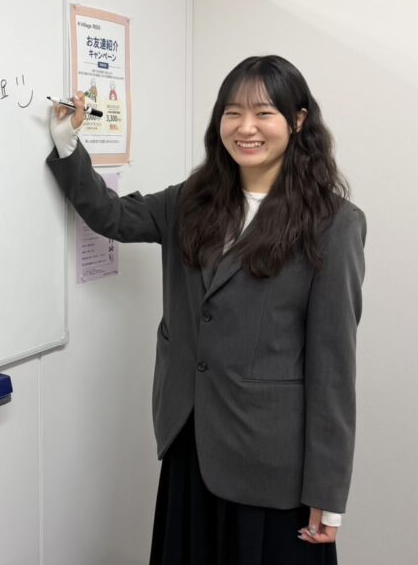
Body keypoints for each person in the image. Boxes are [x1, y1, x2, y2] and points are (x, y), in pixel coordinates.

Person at [46, 56, 366, 565]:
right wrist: (67, 140)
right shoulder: (191, 201)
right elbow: (112, 216)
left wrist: (328, 491)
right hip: (190, 440)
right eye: (232, 112)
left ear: (298, 120)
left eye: (263, 113)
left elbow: (333, 368)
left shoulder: (333, 223)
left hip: (270, 463)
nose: (245, 128)